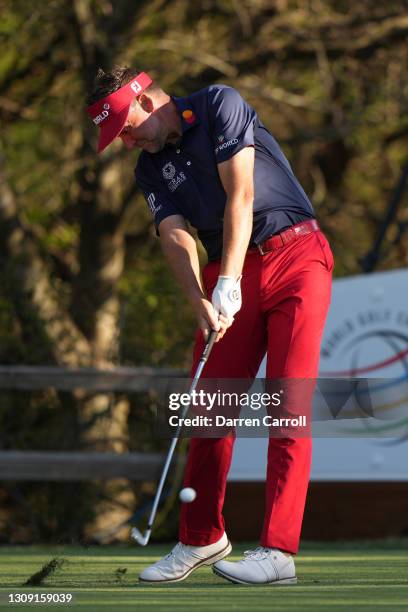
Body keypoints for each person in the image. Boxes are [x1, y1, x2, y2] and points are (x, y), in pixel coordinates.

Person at [87, 67, 334, 585]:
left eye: (126, 128)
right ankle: (201, 537)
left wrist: (231, 277)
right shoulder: (148, 168)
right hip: (227, 270)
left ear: (147, 102)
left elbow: (240, 194)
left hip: (295, 255)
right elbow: (175, 236)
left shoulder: (219, 103)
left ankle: (278, 552)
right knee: (210, 407)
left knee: (288, 406)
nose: (125, 141)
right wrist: (200, 298)